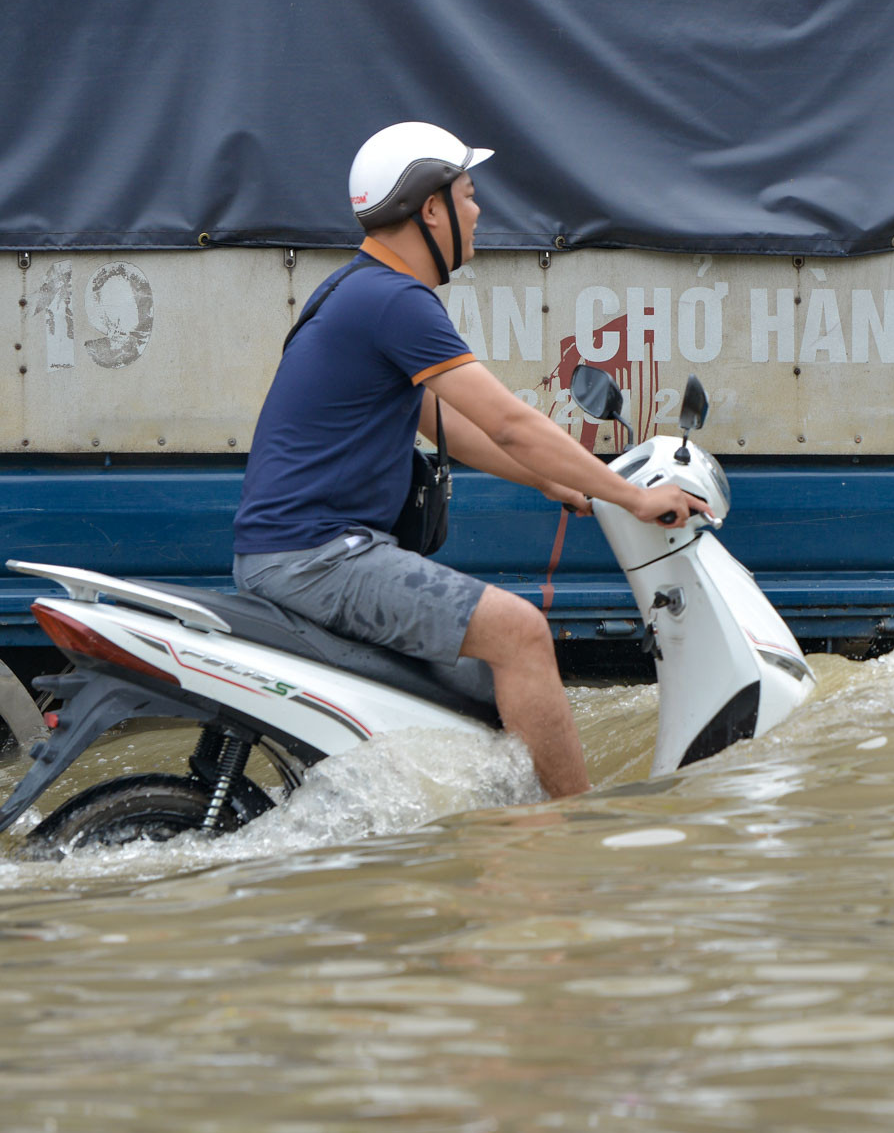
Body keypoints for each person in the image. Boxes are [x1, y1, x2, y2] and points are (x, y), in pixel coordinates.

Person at [231, 121, 706, 798]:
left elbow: (441, 418)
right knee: (519, 632)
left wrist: (552, 479)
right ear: (431, 210)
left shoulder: (353, 289)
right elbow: (510, 421)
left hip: (294, 552)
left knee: (483, 680)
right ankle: (575, 832)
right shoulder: (395, 300)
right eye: (469, 194)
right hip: (318, 556)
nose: (479, 211)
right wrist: (630, 496)